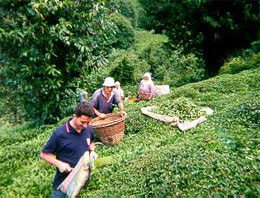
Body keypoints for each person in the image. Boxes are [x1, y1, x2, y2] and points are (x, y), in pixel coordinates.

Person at [40, 102, 95, 198]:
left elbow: (91, 142)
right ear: (74, 116)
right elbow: (44, 155)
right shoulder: (59, 134)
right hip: (63, 183)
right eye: (82, 122)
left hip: (80, 181)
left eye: (88, 122)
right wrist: (59, 164)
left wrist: (92, 151)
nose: (85, 125)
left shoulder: (88, 129)